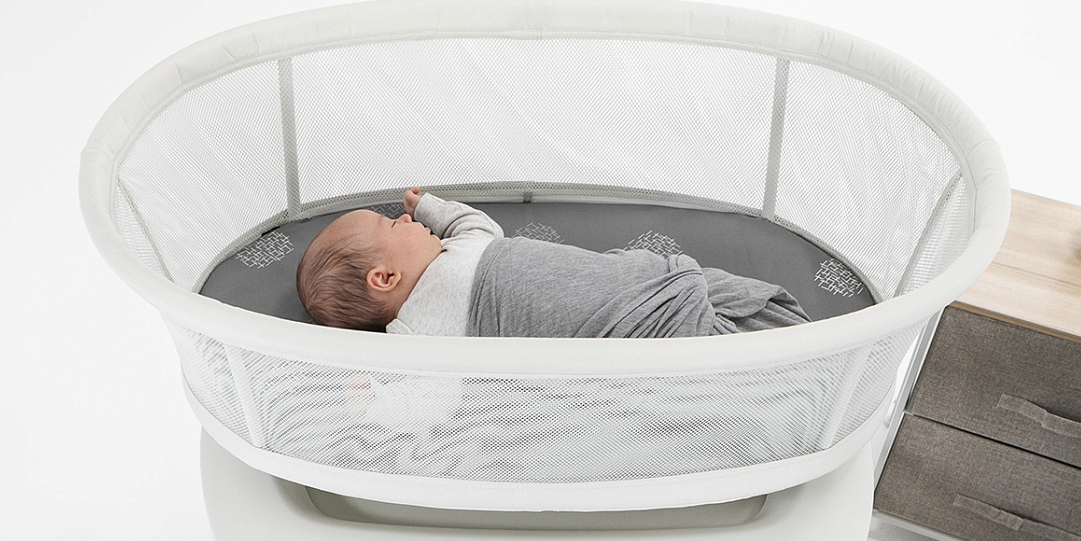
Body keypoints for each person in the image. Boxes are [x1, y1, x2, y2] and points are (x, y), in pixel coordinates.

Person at [295, 188, 809, 338]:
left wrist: (431, 207)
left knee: (690, 284)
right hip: (618, 321)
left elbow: (477, 224)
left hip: (630, 282)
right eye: (393, 226)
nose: (404, 220)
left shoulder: (460, 246)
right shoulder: (416, 328)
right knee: (699, 347)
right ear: (384, 277)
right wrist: (376, 404)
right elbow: (425, 397)